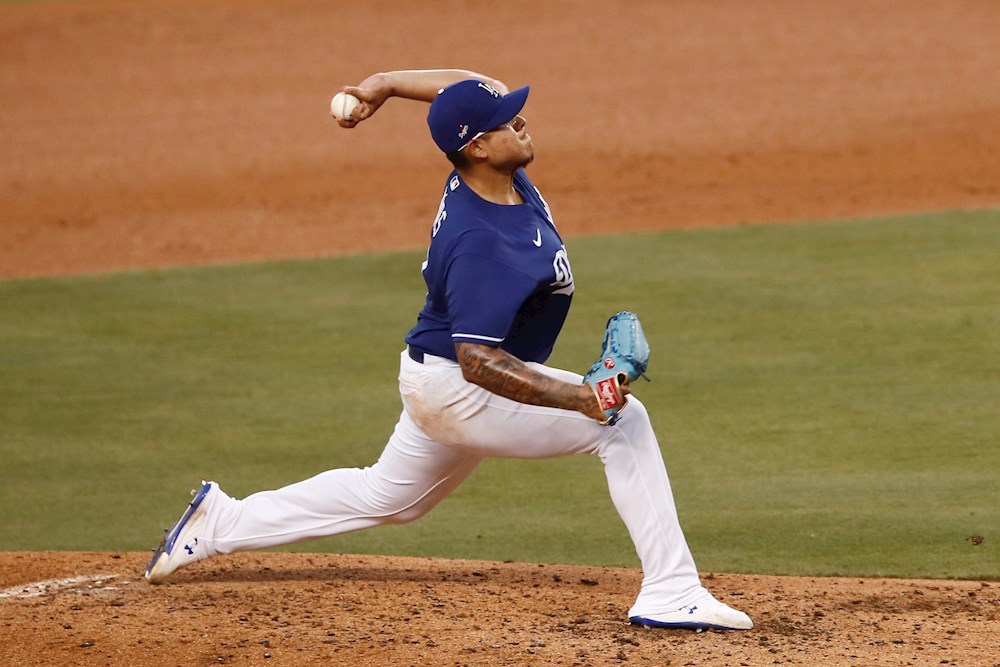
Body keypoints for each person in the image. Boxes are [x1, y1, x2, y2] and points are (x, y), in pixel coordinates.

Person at [144, 69, 753, 631]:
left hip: (433, 374)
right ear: (478, 147)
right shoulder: (480, 240)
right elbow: (479, 361)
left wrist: (384, 83)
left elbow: (466, 86)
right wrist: (581, 400)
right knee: (622, 424)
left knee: (389, 497)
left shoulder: (489, 174)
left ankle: (219, 521)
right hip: (457, 387)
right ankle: (671, 590)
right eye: (507, 122)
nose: (521, 121)